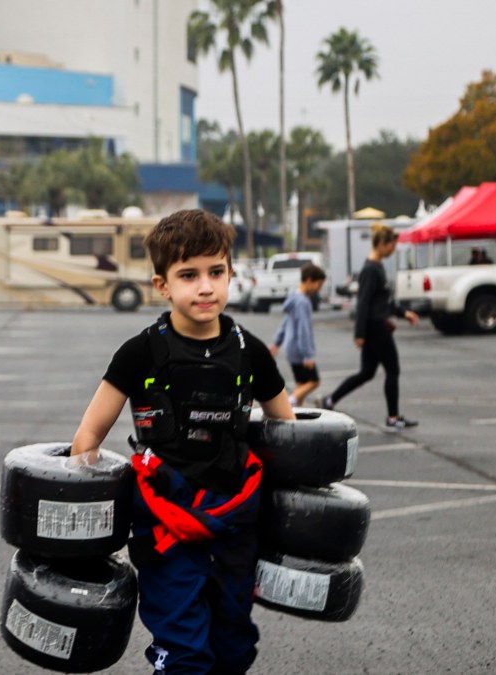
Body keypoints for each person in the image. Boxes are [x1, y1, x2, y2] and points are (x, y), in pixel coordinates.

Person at [69, 209, 294, 674]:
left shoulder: (251, 351)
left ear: (232, 273)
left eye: (217, 272)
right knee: (186, 656)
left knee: (234, 648)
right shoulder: (139, 352)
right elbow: (87, 438)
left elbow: (290, 434)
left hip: (236, 526)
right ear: (162, 285)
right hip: (165, 527)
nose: (206, 286)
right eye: (189, 275)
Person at [321, 223, 420, 431]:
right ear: (382, 244)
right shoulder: (369, 270)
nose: (393, 250)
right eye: (391, 246)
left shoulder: (377, 267)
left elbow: (383, 301)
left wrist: (404, 313)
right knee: (393, 369)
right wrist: (359, 334)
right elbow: (363, 303)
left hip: (377, 325)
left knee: (367, 372)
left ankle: (330, 400)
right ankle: (393, 417)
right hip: (376, 327)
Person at [269, 262, 327, 407]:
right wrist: (307, 355)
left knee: (301, 383)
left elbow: (285, 323)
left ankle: (296, 414)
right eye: (318, 285)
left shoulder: (294, 297)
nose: (318, 289)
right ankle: (289, 403)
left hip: (291, 348)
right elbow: (304, 330)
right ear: (309, 280)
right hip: (299, 350)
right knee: (314, 381)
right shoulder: (303, 302)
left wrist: (277, 342)